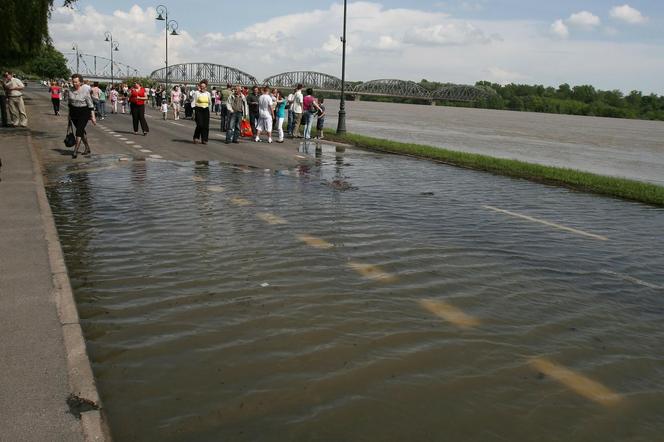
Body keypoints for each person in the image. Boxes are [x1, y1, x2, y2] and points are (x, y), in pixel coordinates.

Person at [65, 74, 96, 158]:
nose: (74, 83)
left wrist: (93, 117)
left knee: (78, 131)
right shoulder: (70, 90)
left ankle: (75, 151)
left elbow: (90, 105)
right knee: (81, 131)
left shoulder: (85, 91)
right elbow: (69, 104)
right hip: (74, 113)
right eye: (73, 82)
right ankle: (87, 148)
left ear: (81, 82)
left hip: (84, 113)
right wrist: (69, 115)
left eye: (76, 82)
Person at [192, 79, 211, 144]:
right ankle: (196, 137)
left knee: (206, 125)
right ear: (200, 87)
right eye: (201, 87)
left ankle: (204, 139)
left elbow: (210, 102)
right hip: (198, 109)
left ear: (206, 87)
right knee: (200, 124)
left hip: (206, 110)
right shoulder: (197, 93)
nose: (202, 88)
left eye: (204, 87)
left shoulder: (208, 94)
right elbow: (193, 102)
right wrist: (194, 110)